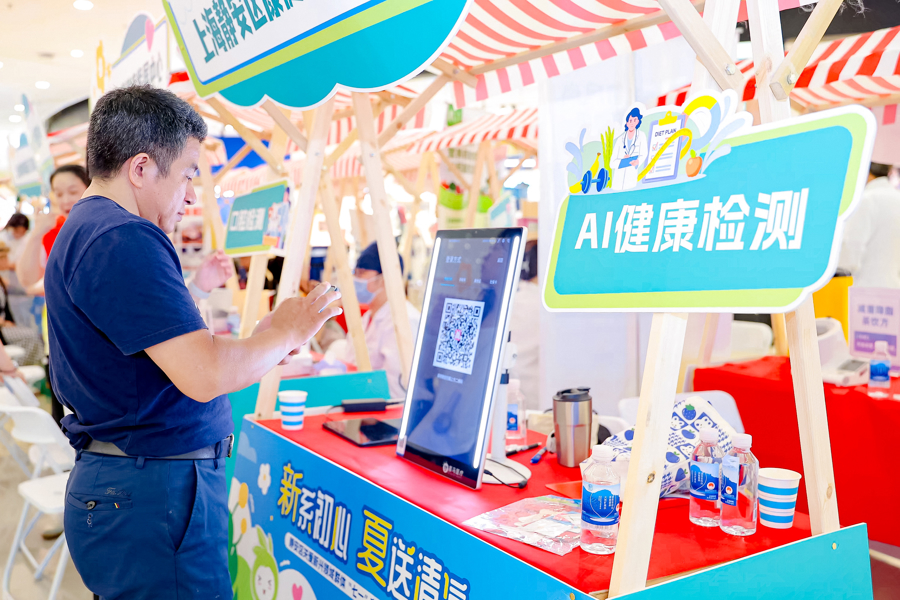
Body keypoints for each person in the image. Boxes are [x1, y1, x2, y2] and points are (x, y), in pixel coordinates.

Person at [45, 85, 342, 599]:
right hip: (155, 492)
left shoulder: (88, 229)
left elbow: (169, 360)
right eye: (186, 174)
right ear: (141, 168)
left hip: (132, 484)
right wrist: (288, 330)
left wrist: (265, 344)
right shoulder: (124, 236)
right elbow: (206, 374)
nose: (189, 195)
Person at [338, 241, 420, 399]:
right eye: (355, 273)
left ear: (384, 278)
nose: (355, 279)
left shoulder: (405, 322)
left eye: (361, 273)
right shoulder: (367, 317)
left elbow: (396, 390)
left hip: (386, 409)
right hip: (359, 400)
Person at [838, 163, 900, 288]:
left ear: (865, 172)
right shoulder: (896, 197)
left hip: (865, 289)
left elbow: (850, 253)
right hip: (895, 288)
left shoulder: (866, 200)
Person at [0, 241, 42, 364]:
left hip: (4, 326)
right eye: (5, 258)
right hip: (2, 328)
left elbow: (21, 290)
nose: (7, 261)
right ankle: (17, 367)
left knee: (30, 334)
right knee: (30, 336)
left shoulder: (2, 281)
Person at [611, 107, 648, 191]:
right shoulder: (620, 140)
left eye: (635, 120)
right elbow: (612, 163)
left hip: (631, 181)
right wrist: (622, 160)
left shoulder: (641, 136)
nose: (632, 123)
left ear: (638, 122)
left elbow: (644, 154)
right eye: (630, 121)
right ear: (627, 123)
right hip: (617, 182)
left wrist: (637, 161)